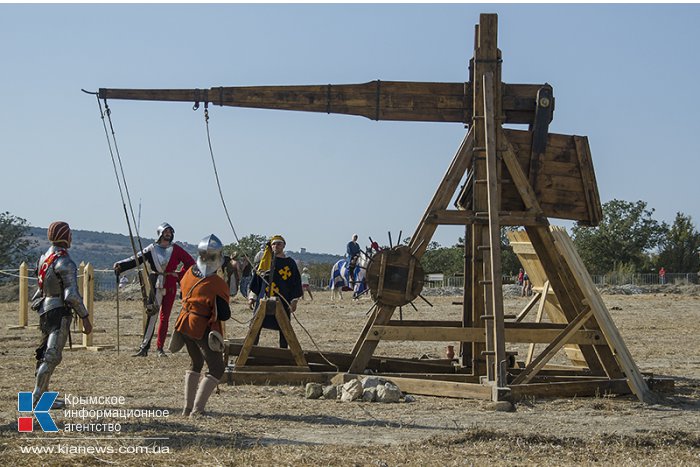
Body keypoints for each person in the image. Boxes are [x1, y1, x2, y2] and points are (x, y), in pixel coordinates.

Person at [30, 221, 92, 408]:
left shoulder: (44, 257)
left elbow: (40, 287)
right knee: (52, 356)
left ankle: (44, 394)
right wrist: (85, 317)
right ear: (65, 236)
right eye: (69, 234)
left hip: (45, 309)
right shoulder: (64, 261)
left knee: (46, 354)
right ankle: (37, 397)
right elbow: (71, 294)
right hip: (59, 311)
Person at [113, 222, 195, 357]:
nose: (168, 234)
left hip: (169, 285)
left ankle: (160, 348)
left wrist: (178, 275)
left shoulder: (176, 249)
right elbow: (136, 259)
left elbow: (190, 263)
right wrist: (120, 265)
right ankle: (144, 347)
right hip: (155, 283)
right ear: (160, 233)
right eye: (166, 231)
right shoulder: (151, 249)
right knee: (152, 315)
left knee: (165, 317)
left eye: (170, 231)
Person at [173, 234, 230, 417]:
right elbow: (225, 314)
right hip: (200, 326)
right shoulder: (216, 283)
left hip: (183, 323)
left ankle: (187, 408)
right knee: (217, 368)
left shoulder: (189, 272)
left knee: (196, 362)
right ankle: (197, 411)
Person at [247, 235, 303, 348]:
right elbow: (257, 281)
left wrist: (294, 301)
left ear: (284, 246)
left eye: (279, 244)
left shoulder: (290, 263)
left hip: (282, 301)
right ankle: (250, 351)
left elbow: (295, 283)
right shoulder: (265, 262)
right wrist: (252, 297)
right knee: (255, 327)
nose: (276, 246)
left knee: (285, 328)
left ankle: (284, 353)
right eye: (274, 244)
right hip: (263, 300)